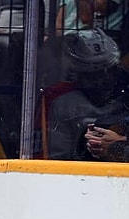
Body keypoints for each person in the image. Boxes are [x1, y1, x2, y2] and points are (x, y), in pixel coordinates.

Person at [46, 28, 126, 160]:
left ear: (114, 72)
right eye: (92, 76)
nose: (100, 82)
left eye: (105, 74)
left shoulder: (125, 101)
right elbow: (59, 159)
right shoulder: (65, 104)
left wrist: (119, 146)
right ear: (79, 75)